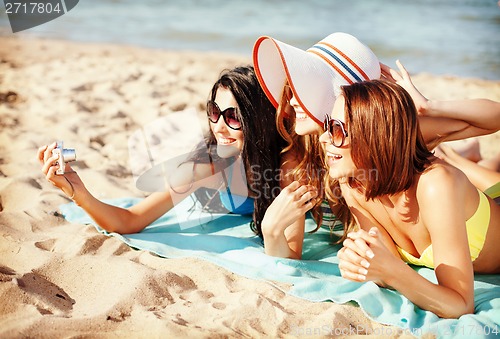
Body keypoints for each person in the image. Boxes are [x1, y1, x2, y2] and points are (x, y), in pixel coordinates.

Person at [319, 79, 500, 318]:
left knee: (458, 172)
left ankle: (461, 158)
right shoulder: (352, 184)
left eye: (337, 129)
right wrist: (366, 262)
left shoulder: (437, 186)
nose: (323, 138)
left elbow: (459, 305)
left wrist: (429, 107)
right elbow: (388, 264)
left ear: (374, 136)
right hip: (477, 199)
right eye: (328, 125)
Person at [38, 65, 286, 234]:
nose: (219, 127)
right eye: (214, 112)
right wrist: (79, 193)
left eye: (233, 117)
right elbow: (131, 220)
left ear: (259, 120)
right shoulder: (208, 166)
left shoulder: (288, 159)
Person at [253, 32, 381, 259]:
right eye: (292, 91)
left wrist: (426, 107)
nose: (292, 101)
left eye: (305, 90)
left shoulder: (381, 145)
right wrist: (271, 231)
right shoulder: (299, 161)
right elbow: (290, 256)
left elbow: (465, 125)